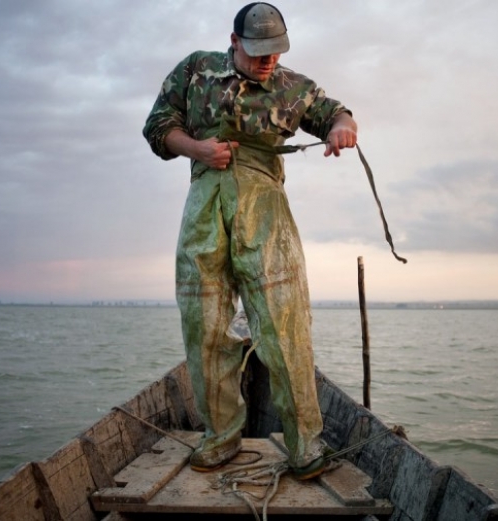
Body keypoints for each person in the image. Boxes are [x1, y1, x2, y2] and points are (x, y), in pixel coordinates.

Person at [142, 2, 358, 480]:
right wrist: (197, 148)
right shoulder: (196, 68)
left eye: (275, 52)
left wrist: (343, 127)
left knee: (284, 324)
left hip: (265, 211)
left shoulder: (291, 85)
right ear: (234, 40)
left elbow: (332, 112)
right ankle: (220, 437)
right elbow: (157, 127)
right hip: (203, 205)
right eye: (258, 51)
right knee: (205, 325)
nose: (267, 61)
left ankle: (305, 445)